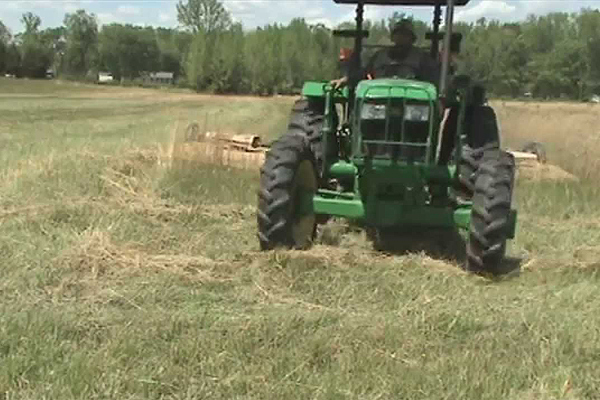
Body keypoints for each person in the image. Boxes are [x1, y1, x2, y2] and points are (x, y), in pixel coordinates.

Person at [330, 19, 439, 89]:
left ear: (412, 39)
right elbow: (364, 73)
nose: (401, 38)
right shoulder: (380, 56)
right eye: (398, 34)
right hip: (380, 99)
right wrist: (346, 80)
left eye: (405, 35)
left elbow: (434, 78)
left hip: (412, 103)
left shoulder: (421, 58)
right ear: (393, 37)